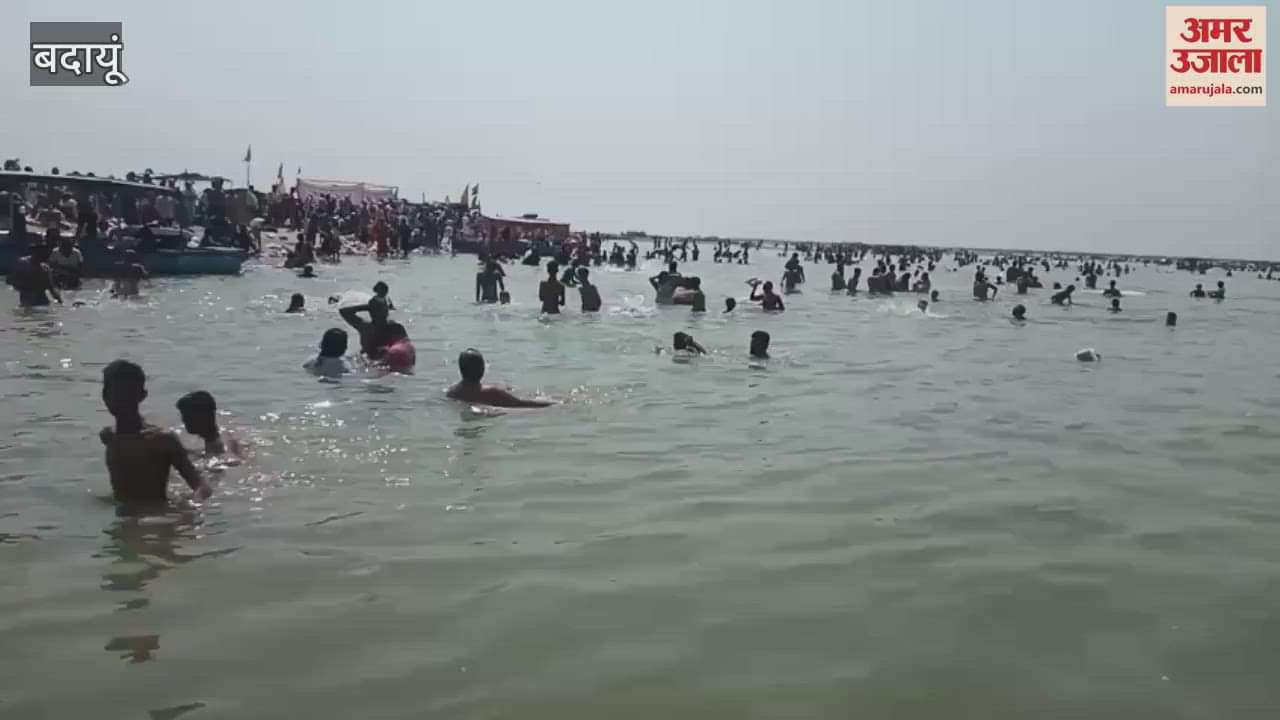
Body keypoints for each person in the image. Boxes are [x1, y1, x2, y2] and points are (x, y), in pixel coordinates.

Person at [98, 360, 212, 504]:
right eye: (109, 391)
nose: (115, 399)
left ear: (141, 395)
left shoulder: (162, 441)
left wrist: (187, 511)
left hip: (156, 519)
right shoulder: (108, 436)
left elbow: (201, 487)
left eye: (124, 393)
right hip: (124, 520)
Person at [446, 349, 552, 408]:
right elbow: (521, 404)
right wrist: (556, 404)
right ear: (481, 369)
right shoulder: (491, 393)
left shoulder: (451, 392)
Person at [176, 390, 242, 458]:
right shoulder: (221, 436)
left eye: (186, 416)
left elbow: (227, 460)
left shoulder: (217, 446)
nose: (183, 420)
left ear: (200, 418)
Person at [340, 294, 390, 359]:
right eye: (375, 309)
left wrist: (368, 307)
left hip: (374, 361)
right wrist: (368, 307)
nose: (378, 312)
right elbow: (343, 311)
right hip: (368, 360)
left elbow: (344, 311)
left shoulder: (394, 327)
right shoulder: (365, 326)